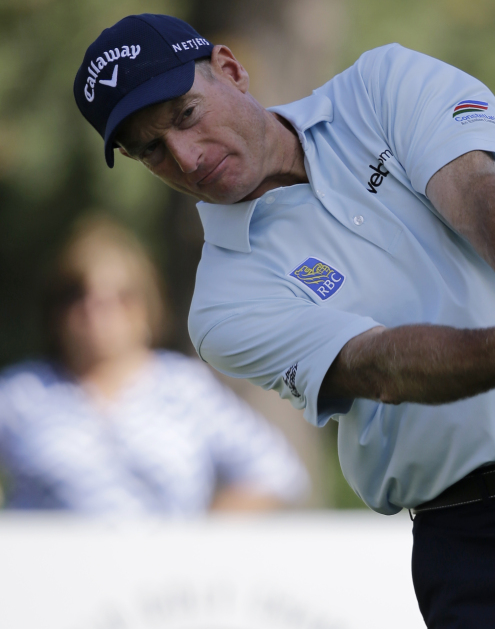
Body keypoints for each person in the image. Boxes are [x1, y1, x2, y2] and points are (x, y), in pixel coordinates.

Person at [73, 14, 495, 627]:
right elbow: (380, 364)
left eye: (186, 114)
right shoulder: (223, 302)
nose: (185, 157)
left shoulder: (379, 86)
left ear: (231, 69)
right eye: (151, 151)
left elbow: (475, 193)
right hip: (491, 545)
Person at [0, 215, 309, 514]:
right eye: (77, 295)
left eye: (120, 298)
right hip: (49, 566)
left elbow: (276, 470)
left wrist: (203, 538)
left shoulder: (184, 386)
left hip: (164, 566)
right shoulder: (22, 393)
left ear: (147, 307)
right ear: (55, 312)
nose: (96, 312)